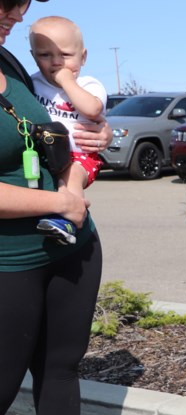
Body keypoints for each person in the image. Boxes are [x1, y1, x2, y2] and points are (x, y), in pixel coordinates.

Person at [1, 0, 117, 415]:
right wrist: (57, 202)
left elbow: (60, 134)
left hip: (72, 244)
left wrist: (99, 137)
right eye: (7, 3)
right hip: (10, 260)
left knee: (61, 366)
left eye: (20, 4)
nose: (16, 14)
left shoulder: (8, 67)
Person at [28, 14, 106, 245]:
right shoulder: (32, 84)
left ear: (83, 57)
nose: (56, 62)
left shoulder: (88, 84)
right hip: (47, 154)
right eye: (45, 55)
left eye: (65, 55)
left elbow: (92, 109)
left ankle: (68, 222)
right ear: (33, 57)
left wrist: (67, 82)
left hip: (81, 155)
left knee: (70, 179)